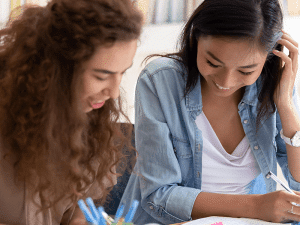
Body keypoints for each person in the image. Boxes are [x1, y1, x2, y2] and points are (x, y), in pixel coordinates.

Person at [118, 0, 300, 224]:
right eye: (213, 63)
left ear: (270, 57)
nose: (226, 82)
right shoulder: (160, 81)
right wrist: (256, 206)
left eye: (246, 70)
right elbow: (159, 196)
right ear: (195, 39)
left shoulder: (274, 85)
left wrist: (286, 105)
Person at [0, 0, 143, 224]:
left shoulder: (92, 124)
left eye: (122, 73)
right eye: (101, 76)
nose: (114, 92)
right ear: (56, 67)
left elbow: (78, 213)